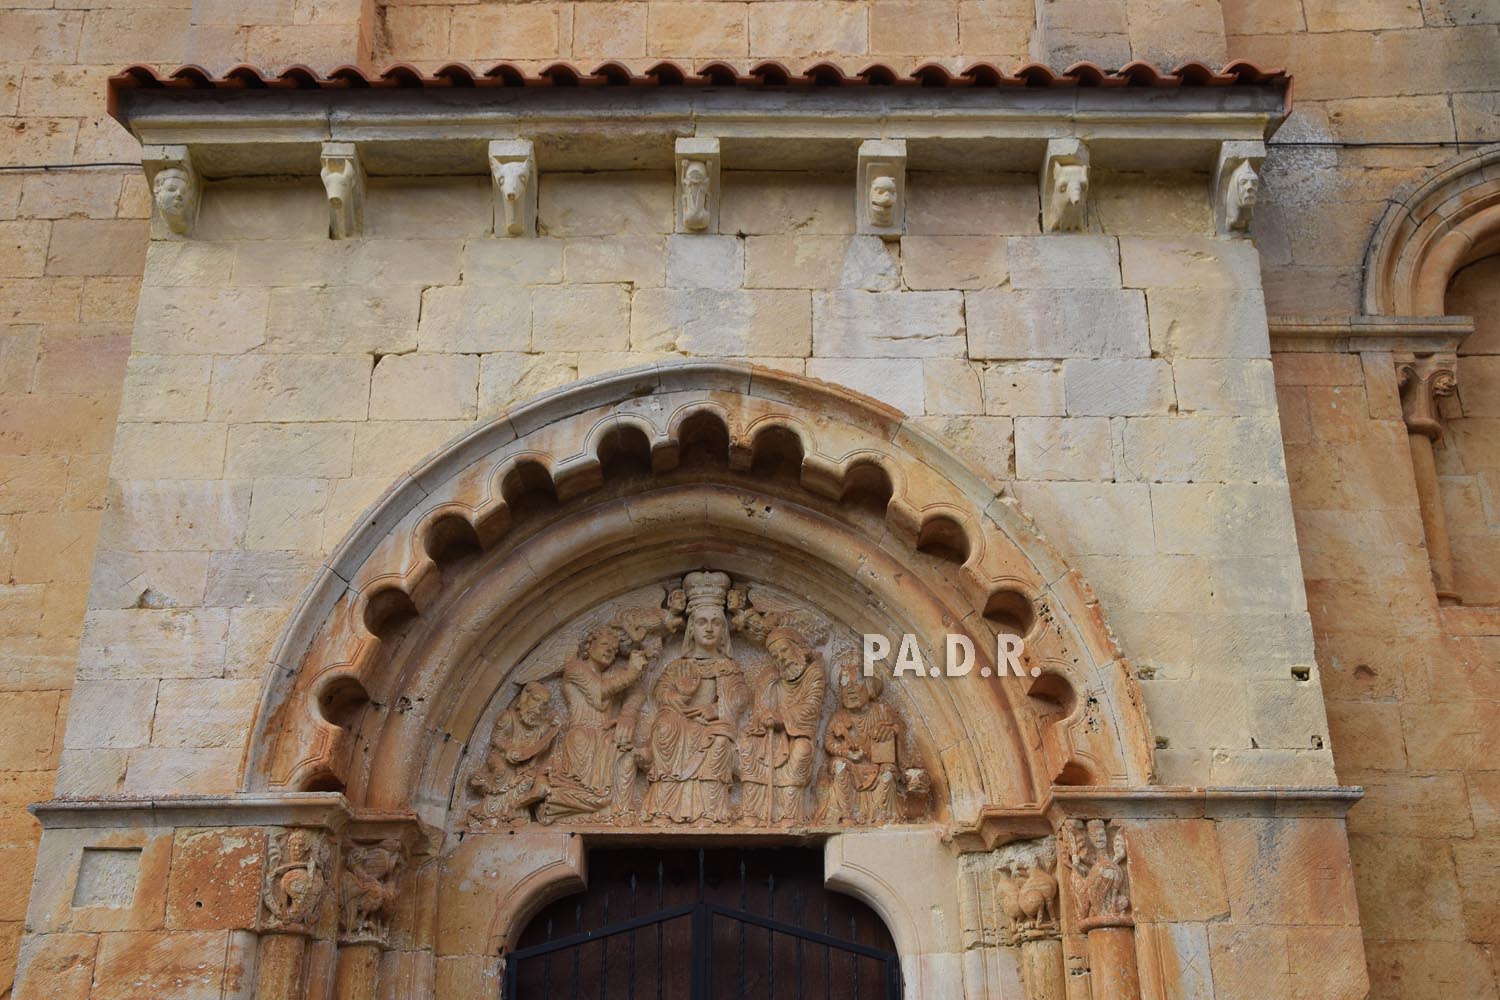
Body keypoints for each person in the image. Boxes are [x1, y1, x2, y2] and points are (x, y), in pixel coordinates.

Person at [641, 572, 747, 823]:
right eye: (702, 622)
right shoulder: (678, 666)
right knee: (665, 727)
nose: (709, 629)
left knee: (721, 740)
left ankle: (711, 810)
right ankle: (664, 808)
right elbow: (660, 691)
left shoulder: (728, 667)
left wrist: (717, 710)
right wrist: (678, 697)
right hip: (681, 721)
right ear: (691, 628)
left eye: (716, 622)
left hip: (713, 724)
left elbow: (741, 696)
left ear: (723, 629)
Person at [538, 626, 648, 823]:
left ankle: (619, 811)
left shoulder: (612, 674)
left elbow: (638, 691)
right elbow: (598, 694)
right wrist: (631, 672)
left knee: (629, 758)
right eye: (605, 645)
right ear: (589, 647)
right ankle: (558, 805)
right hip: (583, 737)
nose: (609, 651)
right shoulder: (575, 669)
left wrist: (627, 715)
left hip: (607, 736)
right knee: (595, 793)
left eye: (614, 650)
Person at [740, 627, 826, 824]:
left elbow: (811, 708)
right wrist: (765, 718)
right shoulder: (769, 676)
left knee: (802, 751)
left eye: (784, 650)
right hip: (768, 734)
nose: (781, 658)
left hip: (797, 732)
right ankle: (752, 811)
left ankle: (789, 813)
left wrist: (782, 717)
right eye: (775, 655)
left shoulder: (814, 672)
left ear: (797, 647)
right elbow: (760, 710)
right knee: (746, 747)